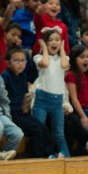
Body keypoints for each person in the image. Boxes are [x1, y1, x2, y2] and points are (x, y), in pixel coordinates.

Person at [32, 27, 71, 158]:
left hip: (57, 101)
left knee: (59, 133)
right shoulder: (38, 57)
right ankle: (42, 157)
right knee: (39, 129)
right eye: (50, 40)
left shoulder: (64, 58)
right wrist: (43, 48)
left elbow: (65, 66)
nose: (54, 42)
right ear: (45, 42)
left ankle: (67, 158)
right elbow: (45, 63)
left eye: (57, 40)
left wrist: (62, 48)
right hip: (42, 100)